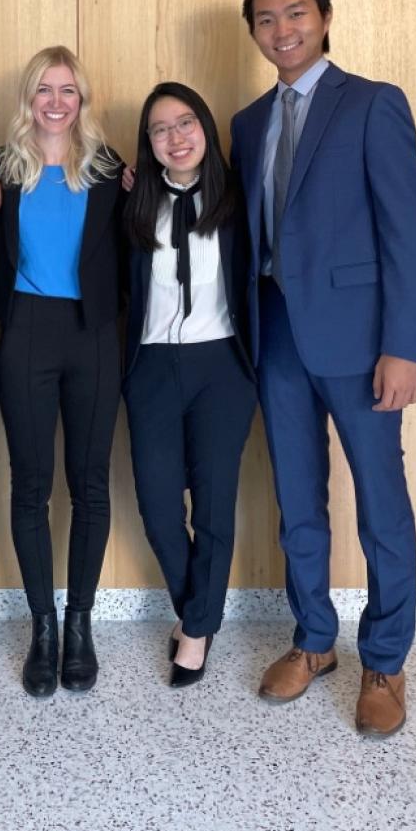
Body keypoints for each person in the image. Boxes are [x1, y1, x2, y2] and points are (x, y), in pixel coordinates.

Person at [229, 0, 416, 737]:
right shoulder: (249, 122)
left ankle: (385, 657)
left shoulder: (374, 103)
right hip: (276, 331)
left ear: (324, 17)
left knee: (381, 502)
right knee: (297, 499)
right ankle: (314, 640)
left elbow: (406, 231)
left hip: (360, 338)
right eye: (267, 20)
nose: (282, 30)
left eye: (296, 14)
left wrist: (404, 346)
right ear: (254, 32)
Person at [0, 46, 123, 696]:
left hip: (94, 333)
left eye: (67, 89)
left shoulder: (110, 172)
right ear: (29, 98)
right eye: (44, 88)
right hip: (25, 333)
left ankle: (79, 625)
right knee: (30, 484)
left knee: (90, 483)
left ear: (82, 99)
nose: (55, 100)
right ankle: (42, 628)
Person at [122, 82, 257, 688]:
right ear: (147, 145)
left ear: (206, 127)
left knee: (214, 506)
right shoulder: (129, 203)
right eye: (159, 129)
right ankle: (196, 610)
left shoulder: (241, 199)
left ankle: (196, 633)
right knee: (156, 507)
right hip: (150, 366)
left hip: (221, 367)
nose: (175, 138)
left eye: (185, 124)